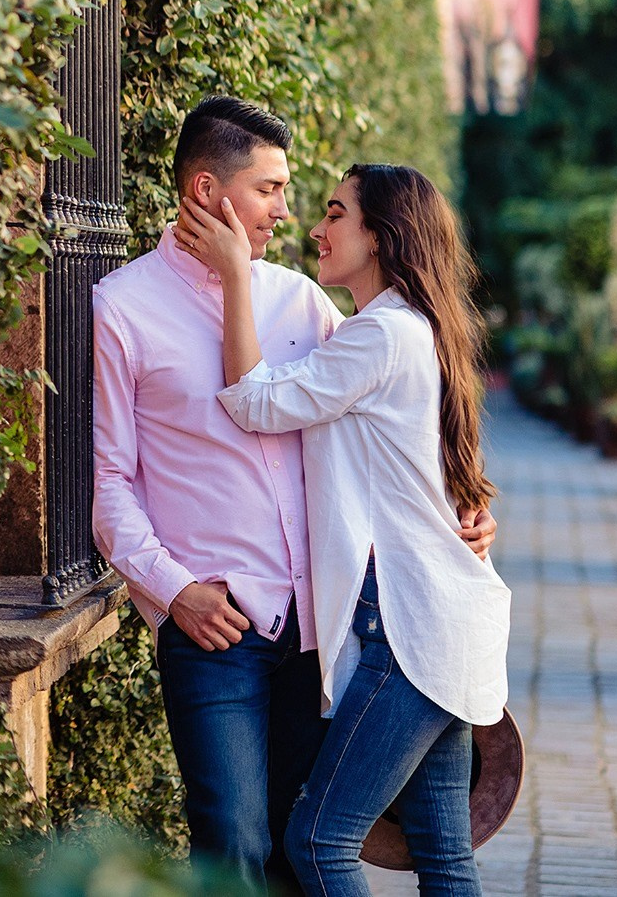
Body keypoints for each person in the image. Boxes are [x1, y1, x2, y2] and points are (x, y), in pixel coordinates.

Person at [91, 98, 496, 893]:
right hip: (216, 629)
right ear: (209, 192)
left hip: (323, 623)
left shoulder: (304, 303)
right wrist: (175, 593)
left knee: (295, 845)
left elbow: (403, 421)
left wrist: (466, 513)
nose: (290, 211)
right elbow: (110, 488)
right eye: (271, 189)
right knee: (233, 842)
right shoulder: (121, 307)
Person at [177, 163, 509, 897]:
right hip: (443, 619)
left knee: (319, 839)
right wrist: (474, 519)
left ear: (383, 235)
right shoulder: (413, 330)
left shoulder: (382, 335)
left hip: (410, 631)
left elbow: (253, 402)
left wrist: (235, 276)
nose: (316, 229)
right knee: (444, 853)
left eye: (335, 213)